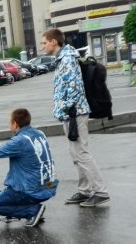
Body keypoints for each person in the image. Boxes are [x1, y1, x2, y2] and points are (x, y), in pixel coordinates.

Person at [41, 28, 109, 207]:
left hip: (74, 113)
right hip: (69, 113)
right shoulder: (62, 59)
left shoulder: (68, 59)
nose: (43, 46)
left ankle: (100, 192)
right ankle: (84, 190)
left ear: (54, 42)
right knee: (75, 153)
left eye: (44, 42)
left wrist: (64, 107)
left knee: (81, 153)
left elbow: (74, 88)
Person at [0, 108, 58, 227]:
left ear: (15, 124)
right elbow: (21, 150)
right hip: (49, 186)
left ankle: (33, 211)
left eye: (10, 122)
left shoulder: (19, 140)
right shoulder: (39, 133)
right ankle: (33, 209)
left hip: (32, 190)